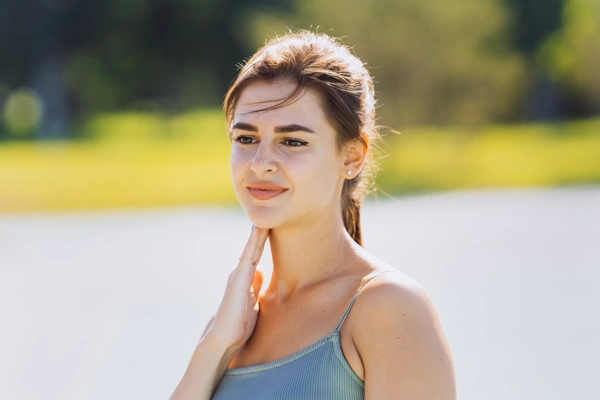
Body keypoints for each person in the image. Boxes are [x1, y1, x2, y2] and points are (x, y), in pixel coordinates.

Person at [170, 31, 455, 399]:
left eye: (293, 141)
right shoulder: (232, 323)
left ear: (352, 155)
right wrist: (215, 346)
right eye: (246, 138)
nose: (260, 164)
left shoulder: (389, 309)